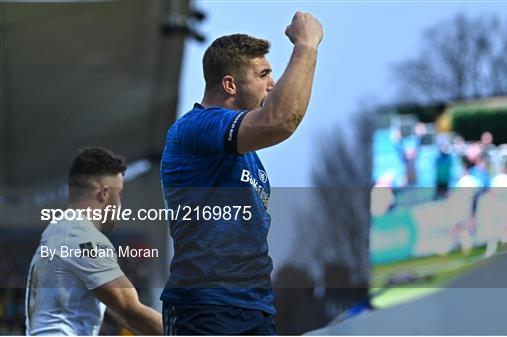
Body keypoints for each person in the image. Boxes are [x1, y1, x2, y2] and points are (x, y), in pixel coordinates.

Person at [160, 12, 323, 335]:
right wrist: (306, 44)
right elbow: (280, 120)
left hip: (256, 307)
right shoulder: (196, 127)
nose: (272, 83)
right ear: (230, 84)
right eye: (263, 74)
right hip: (207, 305)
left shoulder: (249, 158)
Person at [25, 147, 162, 335]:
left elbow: (116, 309)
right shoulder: (83, 237)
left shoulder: (57, 231)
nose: (120, 203)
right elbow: (131, 310)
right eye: (119, 194)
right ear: (104, 193)